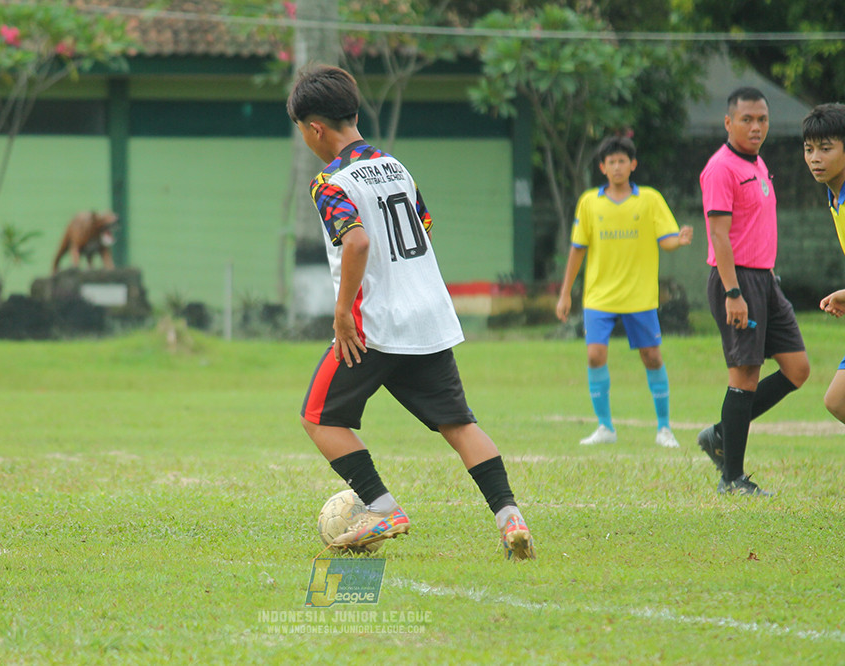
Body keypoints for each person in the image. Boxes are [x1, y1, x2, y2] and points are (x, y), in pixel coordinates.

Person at [288, 65, 535, 561]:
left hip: (374, 327)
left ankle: (382, 508)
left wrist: (342, 313)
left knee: (319, 418)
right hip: (427, 318)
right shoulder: (396, 167)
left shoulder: (330, 181)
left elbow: (356, 241)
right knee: (459, 424)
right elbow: (422, 225)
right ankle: (511, 520)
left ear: (315, 129)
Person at [697, 87, 810, 496]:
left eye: (762, 119)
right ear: (729, 122)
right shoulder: (721, 168)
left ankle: (719, 434)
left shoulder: (759, 164)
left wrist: (767, 281)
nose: (756, 126)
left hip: (765, 279)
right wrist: (733, 293)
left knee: (798, 368)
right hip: (737, 281)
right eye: (747, 119)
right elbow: (719, 236)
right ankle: (732, 478)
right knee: (744, 375)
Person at [556, 136, 693, 448]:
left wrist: (680, 240)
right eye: (611, 162)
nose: (617, 167)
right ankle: (605, 427)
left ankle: (664, 428)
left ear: (633, 165)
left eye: (623, 161)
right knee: (594, 354)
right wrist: (565, 293)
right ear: (603, 167)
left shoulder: (649, 199)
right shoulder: (590, 202)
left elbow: (667, 239)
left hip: (639, 296)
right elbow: (578, 249)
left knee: (652, 356)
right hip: (599, 296)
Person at [802, 102, 845, 423]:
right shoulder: (834, 196)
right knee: (837, 401)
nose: (815, 158)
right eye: (809, 149)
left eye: (826, 149)